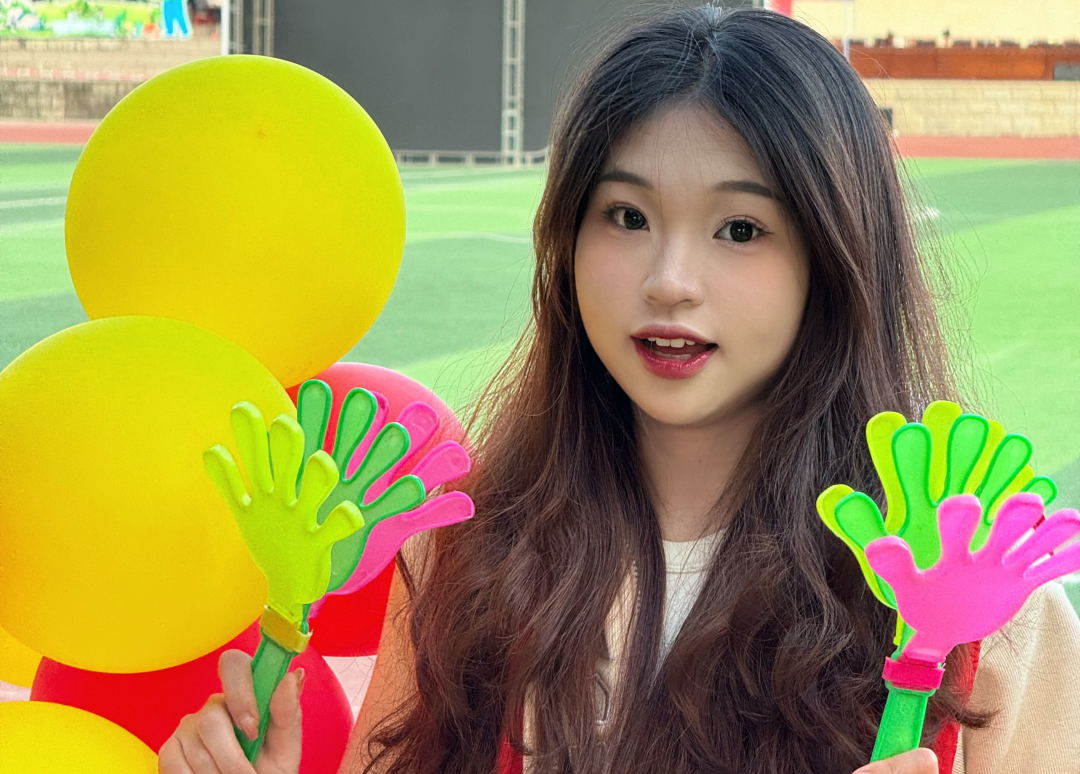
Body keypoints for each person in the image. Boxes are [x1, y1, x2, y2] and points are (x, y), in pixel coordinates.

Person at [158, 6, 1080, 773]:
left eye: (741, 229)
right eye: (627, 215)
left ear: (835, 259)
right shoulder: (464, 563)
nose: (669, 280)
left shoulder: (984, 615)